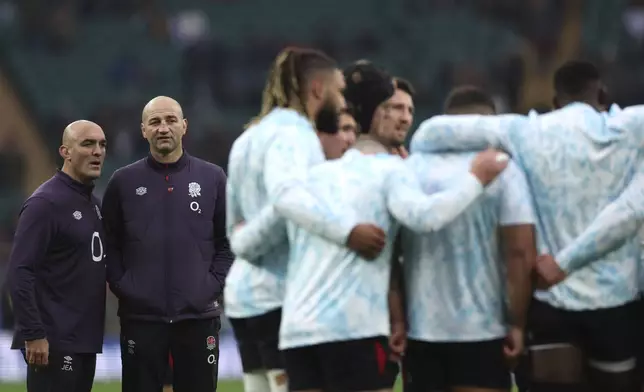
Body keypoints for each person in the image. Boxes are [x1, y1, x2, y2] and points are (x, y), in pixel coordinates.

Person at [409, 61, 643, 392]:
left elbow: (429, 132)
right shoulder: (632, 127)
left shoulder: (524, 131)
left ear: (555, 101)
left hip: (550, 300)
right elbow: (630, 211)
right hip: (616, 305)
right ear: (603, 94)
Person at [269, 104, 510, 392]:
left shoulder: (305, 182)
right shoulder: (390, 171)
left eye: (409, 108)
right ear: (378, 115)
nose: (405, 117)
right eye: (395, 108)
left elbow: (255, 241)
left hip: (299, 331)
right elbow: (426, 218)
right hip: (354, 328)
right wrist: (476, 178)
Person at [224, 47, 385, 392]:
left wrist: (243, 242)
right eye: (338, 90)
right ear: (317, 89)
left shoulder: (248, 136)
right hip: (281, 294)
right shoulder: (296, 136)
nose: (342, 100)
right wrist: (347, 231)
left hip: (243, 297)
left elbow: (233, 221)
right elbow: (289, 200)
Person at [402, 87, 536, 392]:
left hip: (420, 328)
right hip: (482, 328)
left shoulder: (411, 168)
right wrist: (517, 323)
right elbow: (519, 252)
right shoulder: (505, 171)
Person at [101, 96, 233, 392]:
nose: (163, 128)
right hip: (141, 320)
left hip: (198, 319)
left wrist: (210, 286)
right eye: (155, 122)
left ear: (184, 126)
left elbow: (228, 243)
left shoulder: (212, 178)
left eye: (171, 120)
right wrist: (126, 286)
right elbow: (108, 245)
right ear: (143, 130)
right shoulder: (123, 181)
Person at [8, 120, 107, 392]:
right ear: (65, 152)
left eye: (102, 144)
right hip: (54, 341)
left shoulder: (94, 204)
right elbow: (19, 272)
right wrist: (34, 333)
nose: (97, 151)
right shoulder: (45, 204)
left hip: (84, 340)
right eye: (87, 144)